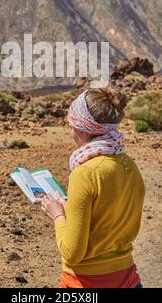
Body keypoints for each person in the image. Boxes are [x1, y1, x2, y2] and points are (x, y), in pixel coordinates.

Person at [41, 87, 145, 288]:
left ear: (81, 126)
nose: (70, 132)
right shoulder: (129, 165)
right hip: (128, 280)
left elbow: (72, 253)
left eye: (71, 125)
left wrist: (57, 215)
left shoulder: (85, 173)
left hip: (85, 284)